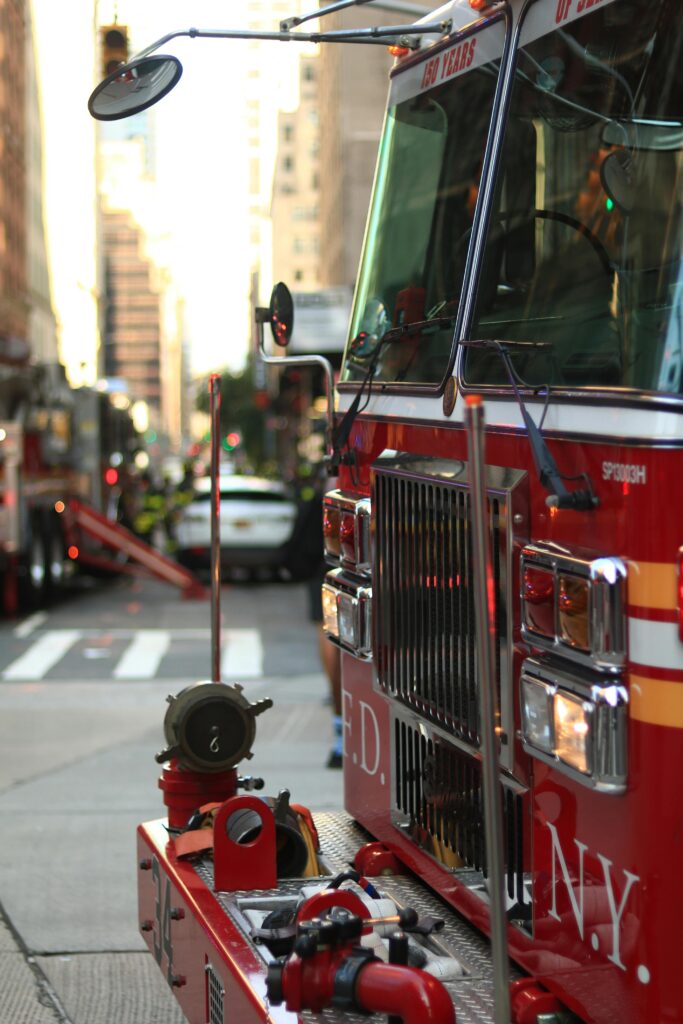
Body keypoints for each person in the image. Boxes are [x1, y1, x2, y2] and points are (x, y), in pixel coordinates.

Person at [283, 477, 343, 769]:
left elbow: (298, 553)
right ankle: (341, 734)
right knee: (336, 650)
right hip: (335, 579)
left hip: (325, 578)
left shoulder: (320, 501)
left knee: (331, 646)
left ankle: (341, 735)